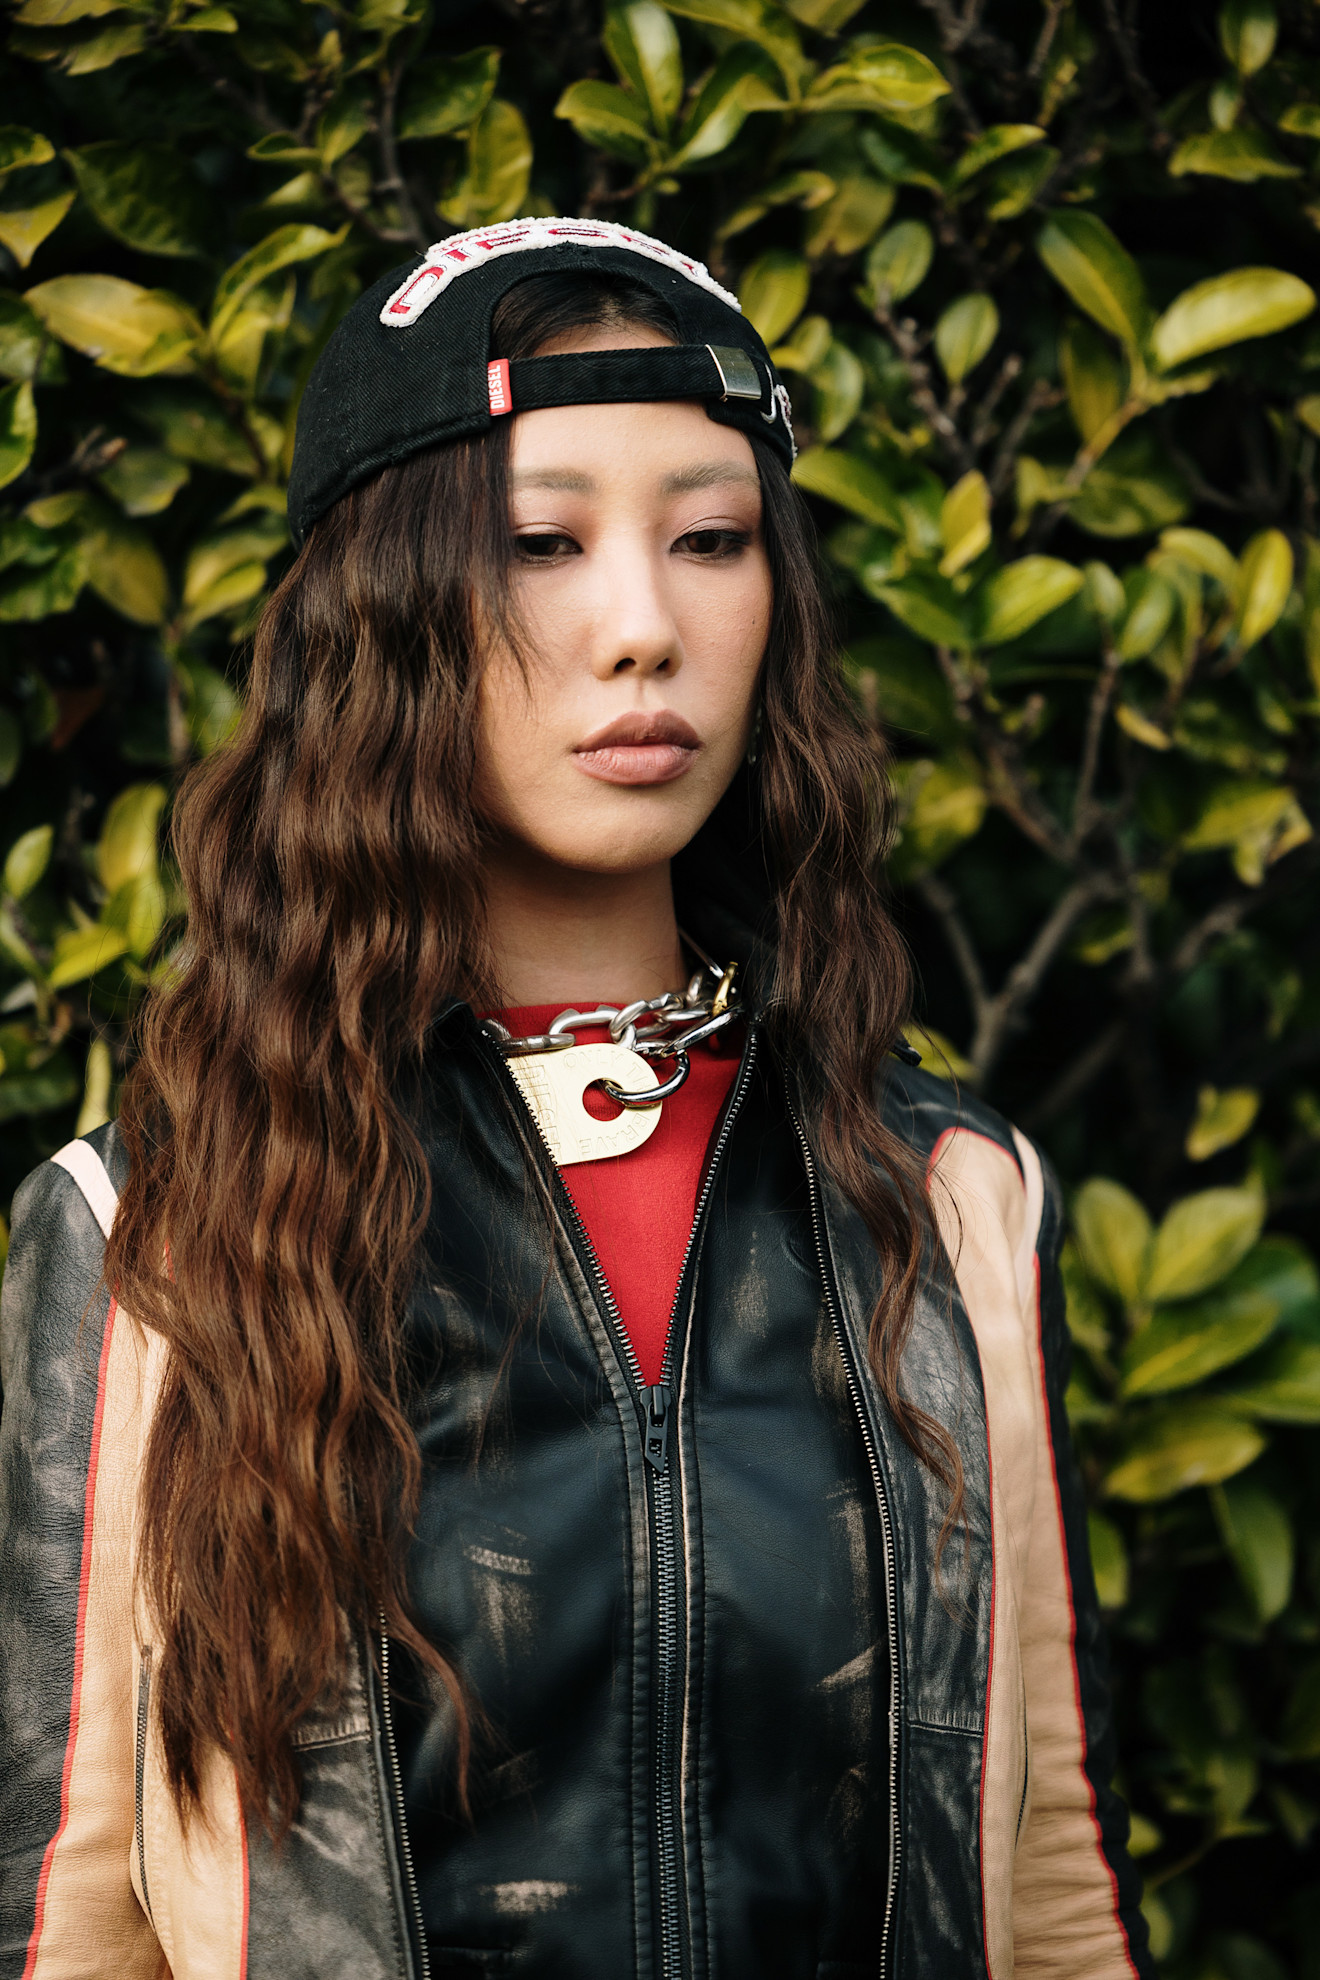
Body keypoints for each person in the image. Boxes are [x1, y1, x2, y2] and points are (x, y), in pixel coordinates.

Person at [0, 218, 1151, 1980]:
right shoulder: (155, 1223)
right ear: (381, 614)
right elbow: (64, 1917)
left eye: (713, 540)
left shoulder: (949, 1195)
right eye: (541, 543)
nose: (644, 629)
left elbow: (1052, 1876)